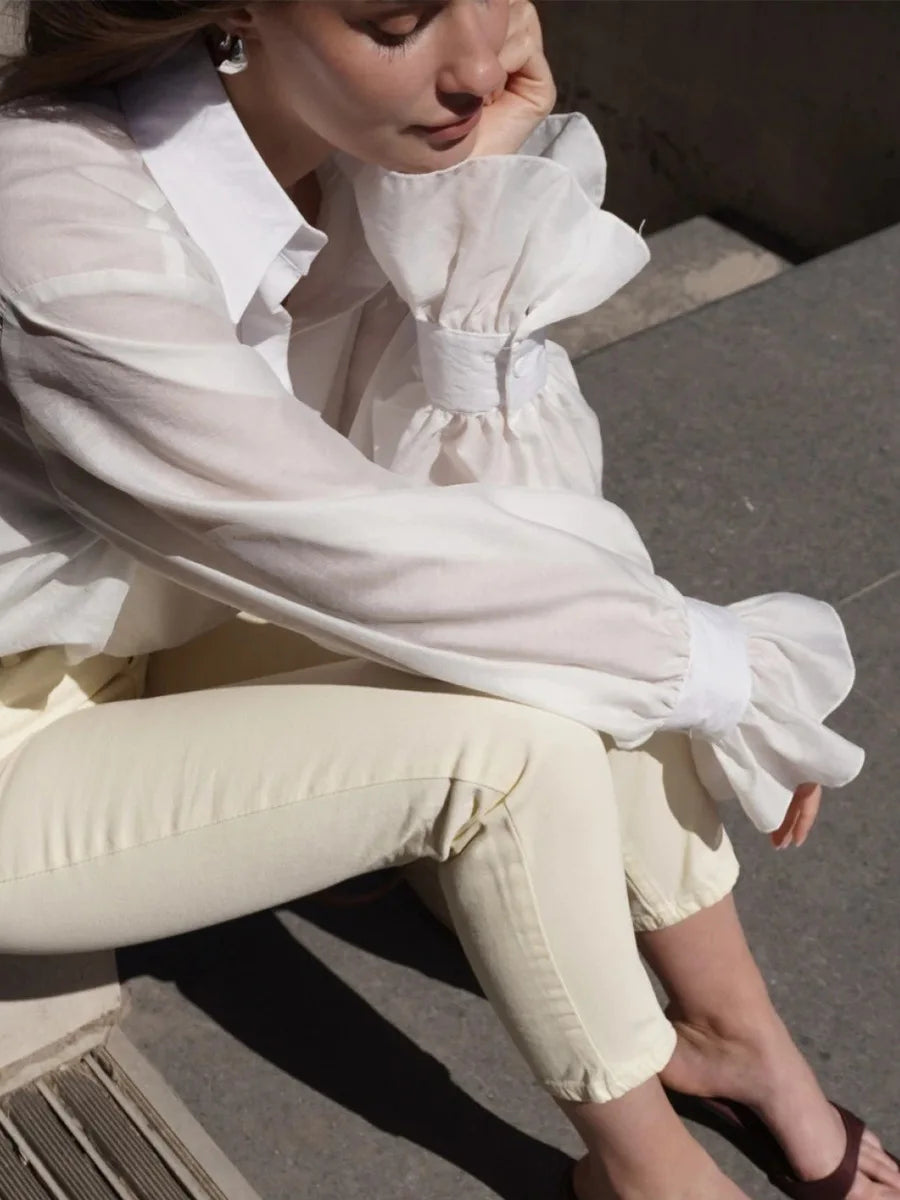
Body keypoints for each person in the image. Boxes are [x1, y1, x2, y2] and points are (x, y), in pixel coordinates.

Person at [0, 3, 893, 1199]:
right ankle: (641, 1171)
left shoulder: (357, 146)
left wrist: (474, 204)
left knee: (563, 610)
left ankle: (738, 1036)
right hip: (22, 740)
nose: (478, 69)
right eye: (395, 22)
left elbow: (500, 510)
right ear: (236, 13)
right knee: (517, 741)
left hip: (174, 618)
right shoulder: (50, 219)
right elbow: (343, 541)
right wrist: (715, 670)